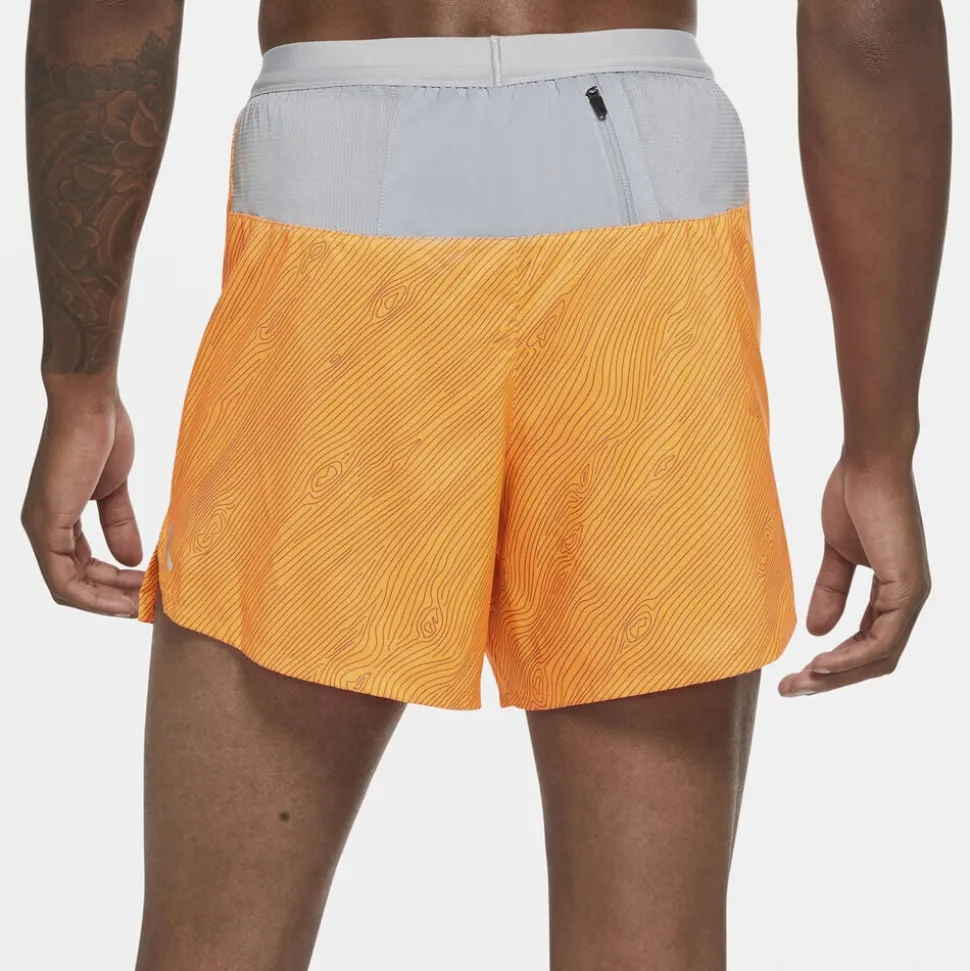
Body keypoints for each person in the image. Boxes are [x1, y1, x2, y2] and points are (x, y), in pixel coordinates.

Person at [21, 0, 948, 968]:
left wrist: (78, 385)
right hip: (647, 196)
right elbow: (867, 24)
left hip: (335, 178)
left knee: (216, 948)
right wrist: (879, 447)